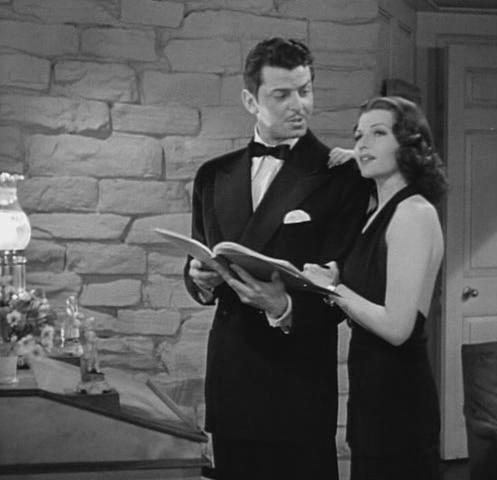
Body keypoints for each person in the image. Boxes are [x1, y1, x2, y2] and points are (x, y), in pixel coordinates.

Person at [183, 37, 372, 480]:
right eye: (282, 95)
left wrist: (283, 306)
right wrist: (198, 280)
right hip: (232, 378)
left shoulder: (343, 176)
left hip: (298, 383)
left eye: (305, 91)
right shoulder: (212, 175)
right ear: (251, 101)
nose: (298, 105)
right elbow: (201, 259)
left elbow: (345, 286)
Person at [303, 96, 448, 480]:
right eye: (358, 135)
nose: (363, 143)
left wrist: (333, 288)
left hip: (400, 399)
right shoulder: (377, 212)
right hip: (373, 394)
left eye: (378, 133)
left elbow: (397, 328)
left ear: (409, 144)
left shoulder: (413, 213)